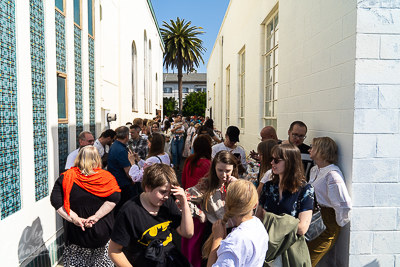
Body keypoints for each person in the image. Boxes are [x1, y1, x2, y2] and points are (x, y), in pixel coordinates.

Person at [108, 164, 194, 266]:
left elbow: (188, 233)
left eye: (169, 192)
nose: (166, 196)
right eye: (162, 192)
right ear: (147, 187)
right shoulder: (129, 212)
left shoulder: (167, 202)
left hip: (169, 258)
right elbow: (114, 251)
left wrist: (184, 203)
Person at [50, 146, 121, 267]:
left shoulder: (66, 177)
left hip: (76, 233)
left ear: (78, 158)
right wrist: (96, 217)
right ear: (97, 159)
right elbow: (114, 199)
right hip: (102, 232)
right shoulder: (107, 178)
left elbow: (56, 201)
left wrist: (74, 218)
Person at [180, 151, 239, 266]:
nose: (224, 175)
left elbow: (251, 204)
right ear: (214, 168)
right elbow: (183, 200)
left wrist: (239, 187)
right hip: (214, 232)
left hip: (234, 232)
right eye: (220, 170)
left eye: (228, 171)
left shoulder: (236, 182)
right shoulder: (206, 184)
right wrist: (199, 213)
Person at [307, 137, 352, 267]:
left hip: (327, 220)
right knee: (302, 256)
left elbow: (343, 203)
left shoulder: (332, 174)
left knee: (309, 260)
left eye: (313, 146)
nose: (310, 149)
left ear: (322, 150)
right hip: (315, 217)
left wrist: (337, 222)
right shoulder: (315, 170)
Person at [203, 179, 269, 267]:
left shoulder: (234, 241)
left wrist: (217, 239)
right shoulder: (259, 225)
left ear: (227, 204)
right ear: (255, 204)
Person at [181, 135, 212, 267]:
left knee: (186, 235)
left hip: (187, 201)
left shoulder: (189, 161)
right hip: (200, 205)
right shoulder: (208, 164)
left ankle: (184, 260)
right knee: (197, 237)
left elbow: (183, 180)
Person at [108, 126, 135, 215]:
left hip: (116, 181)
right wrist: (133, 179)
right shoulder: (120, 150)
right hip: (122, 183)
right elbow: (127, 170)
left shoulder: (114, 145)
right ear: (127, 136)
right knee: (122, 208)